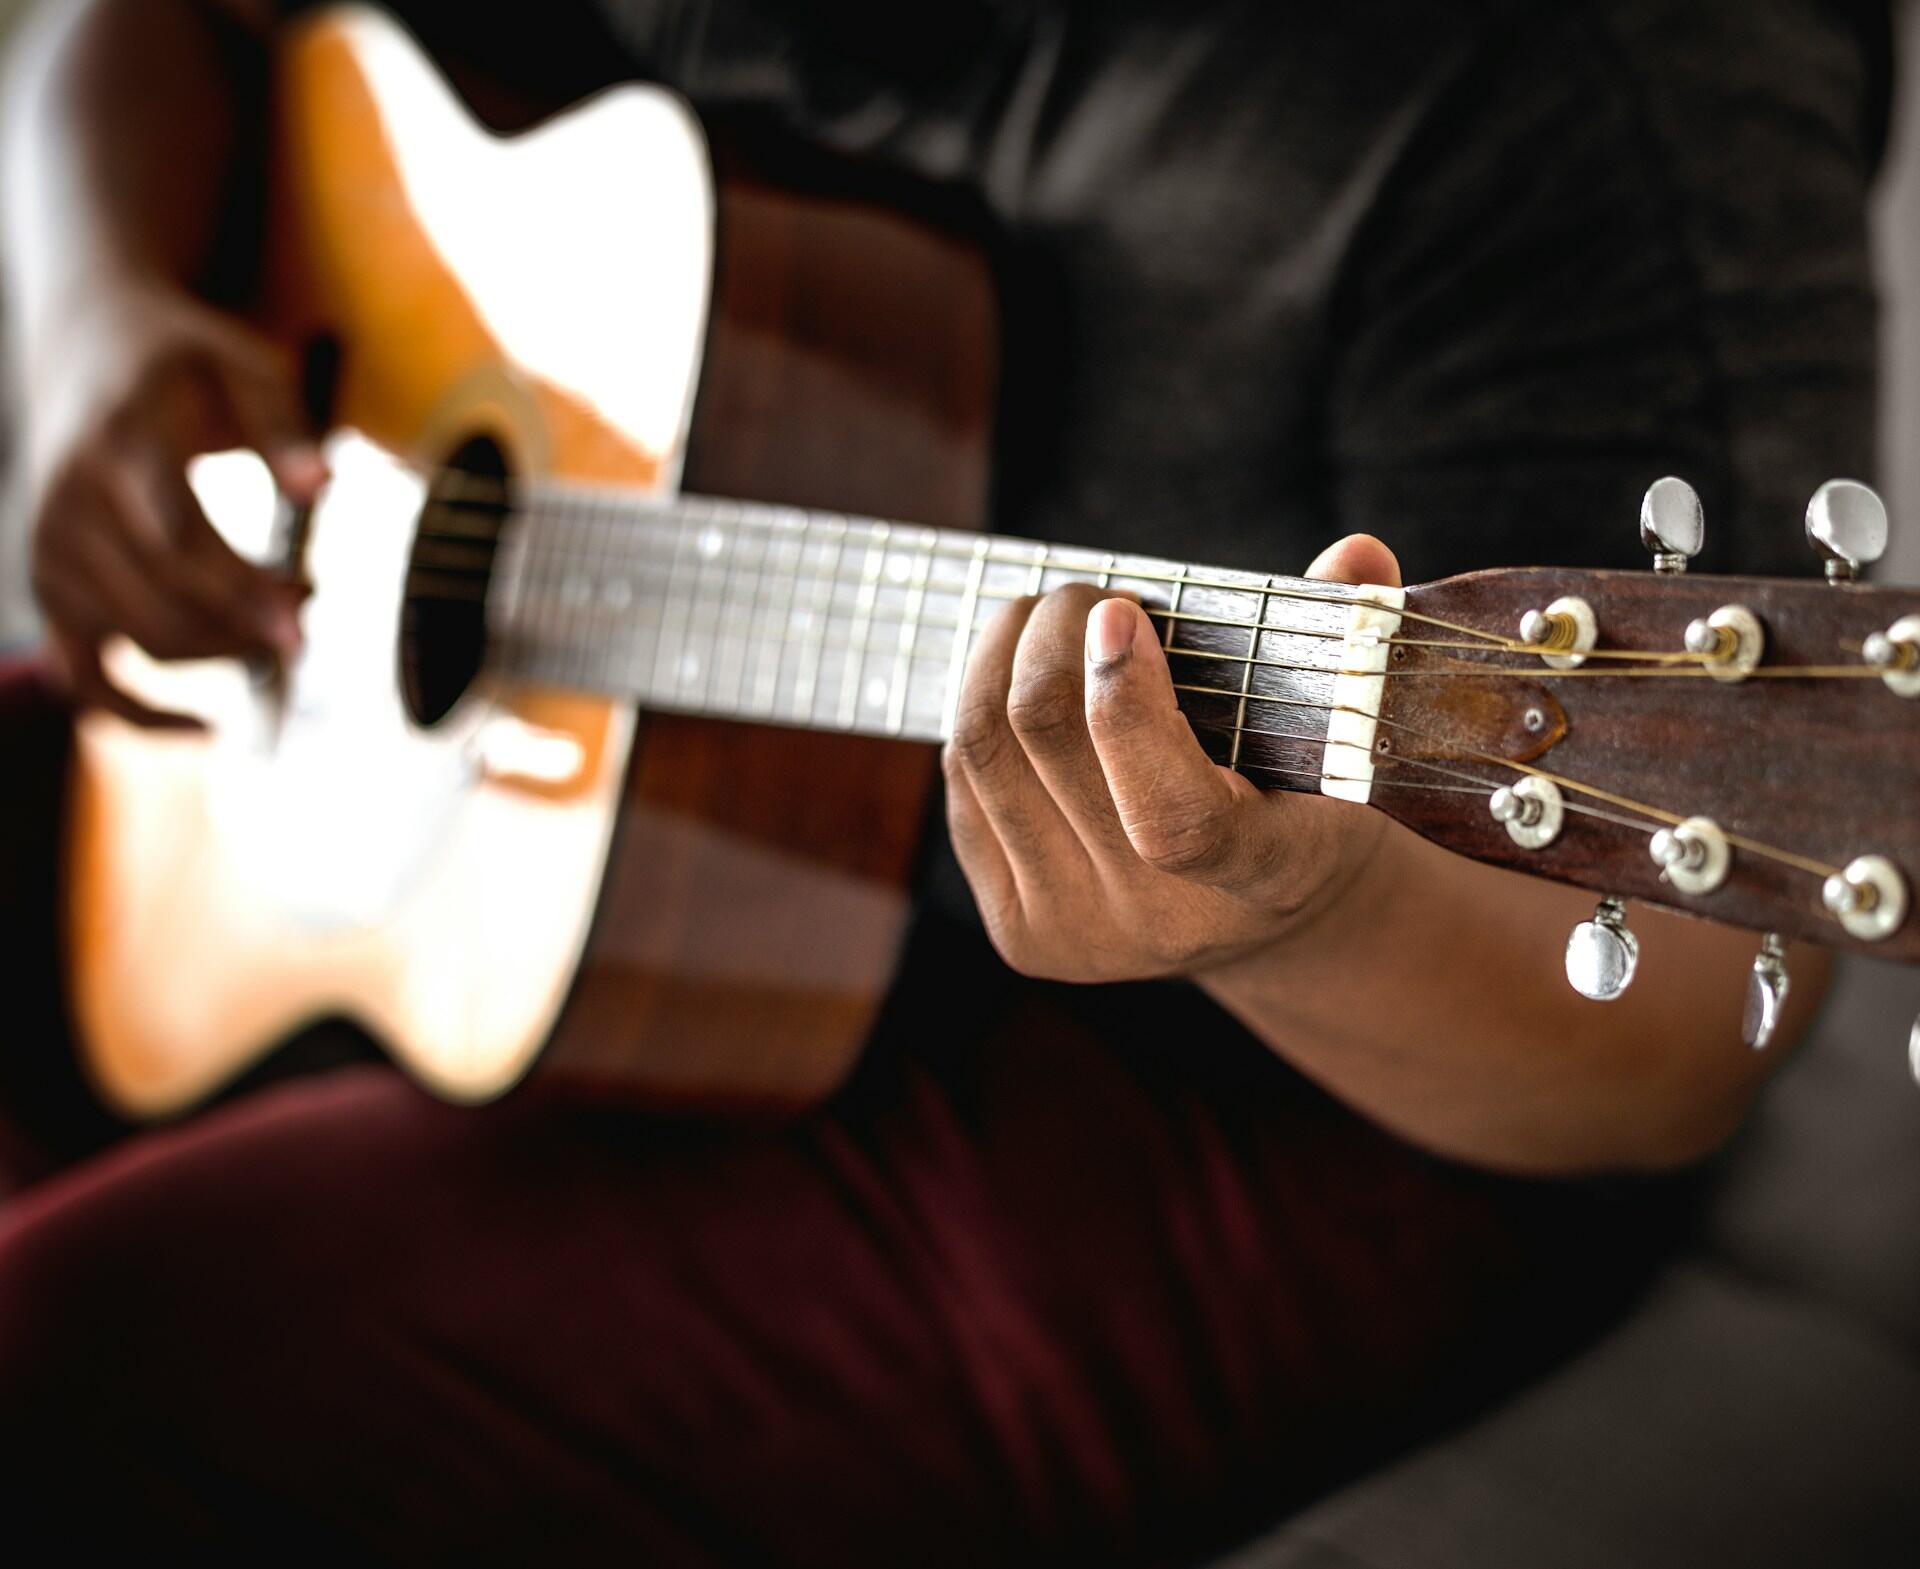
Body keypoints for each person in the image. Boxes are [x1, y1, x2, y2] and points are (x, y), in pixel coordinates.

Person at [0, 0, 1887, 1560]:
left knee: (80, 1359)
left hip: (1295, 1076)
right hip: (633, 822)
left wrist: (1294, 902)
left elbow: (1677, 1026)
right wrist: (96, 318)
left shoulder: (1612, 82)